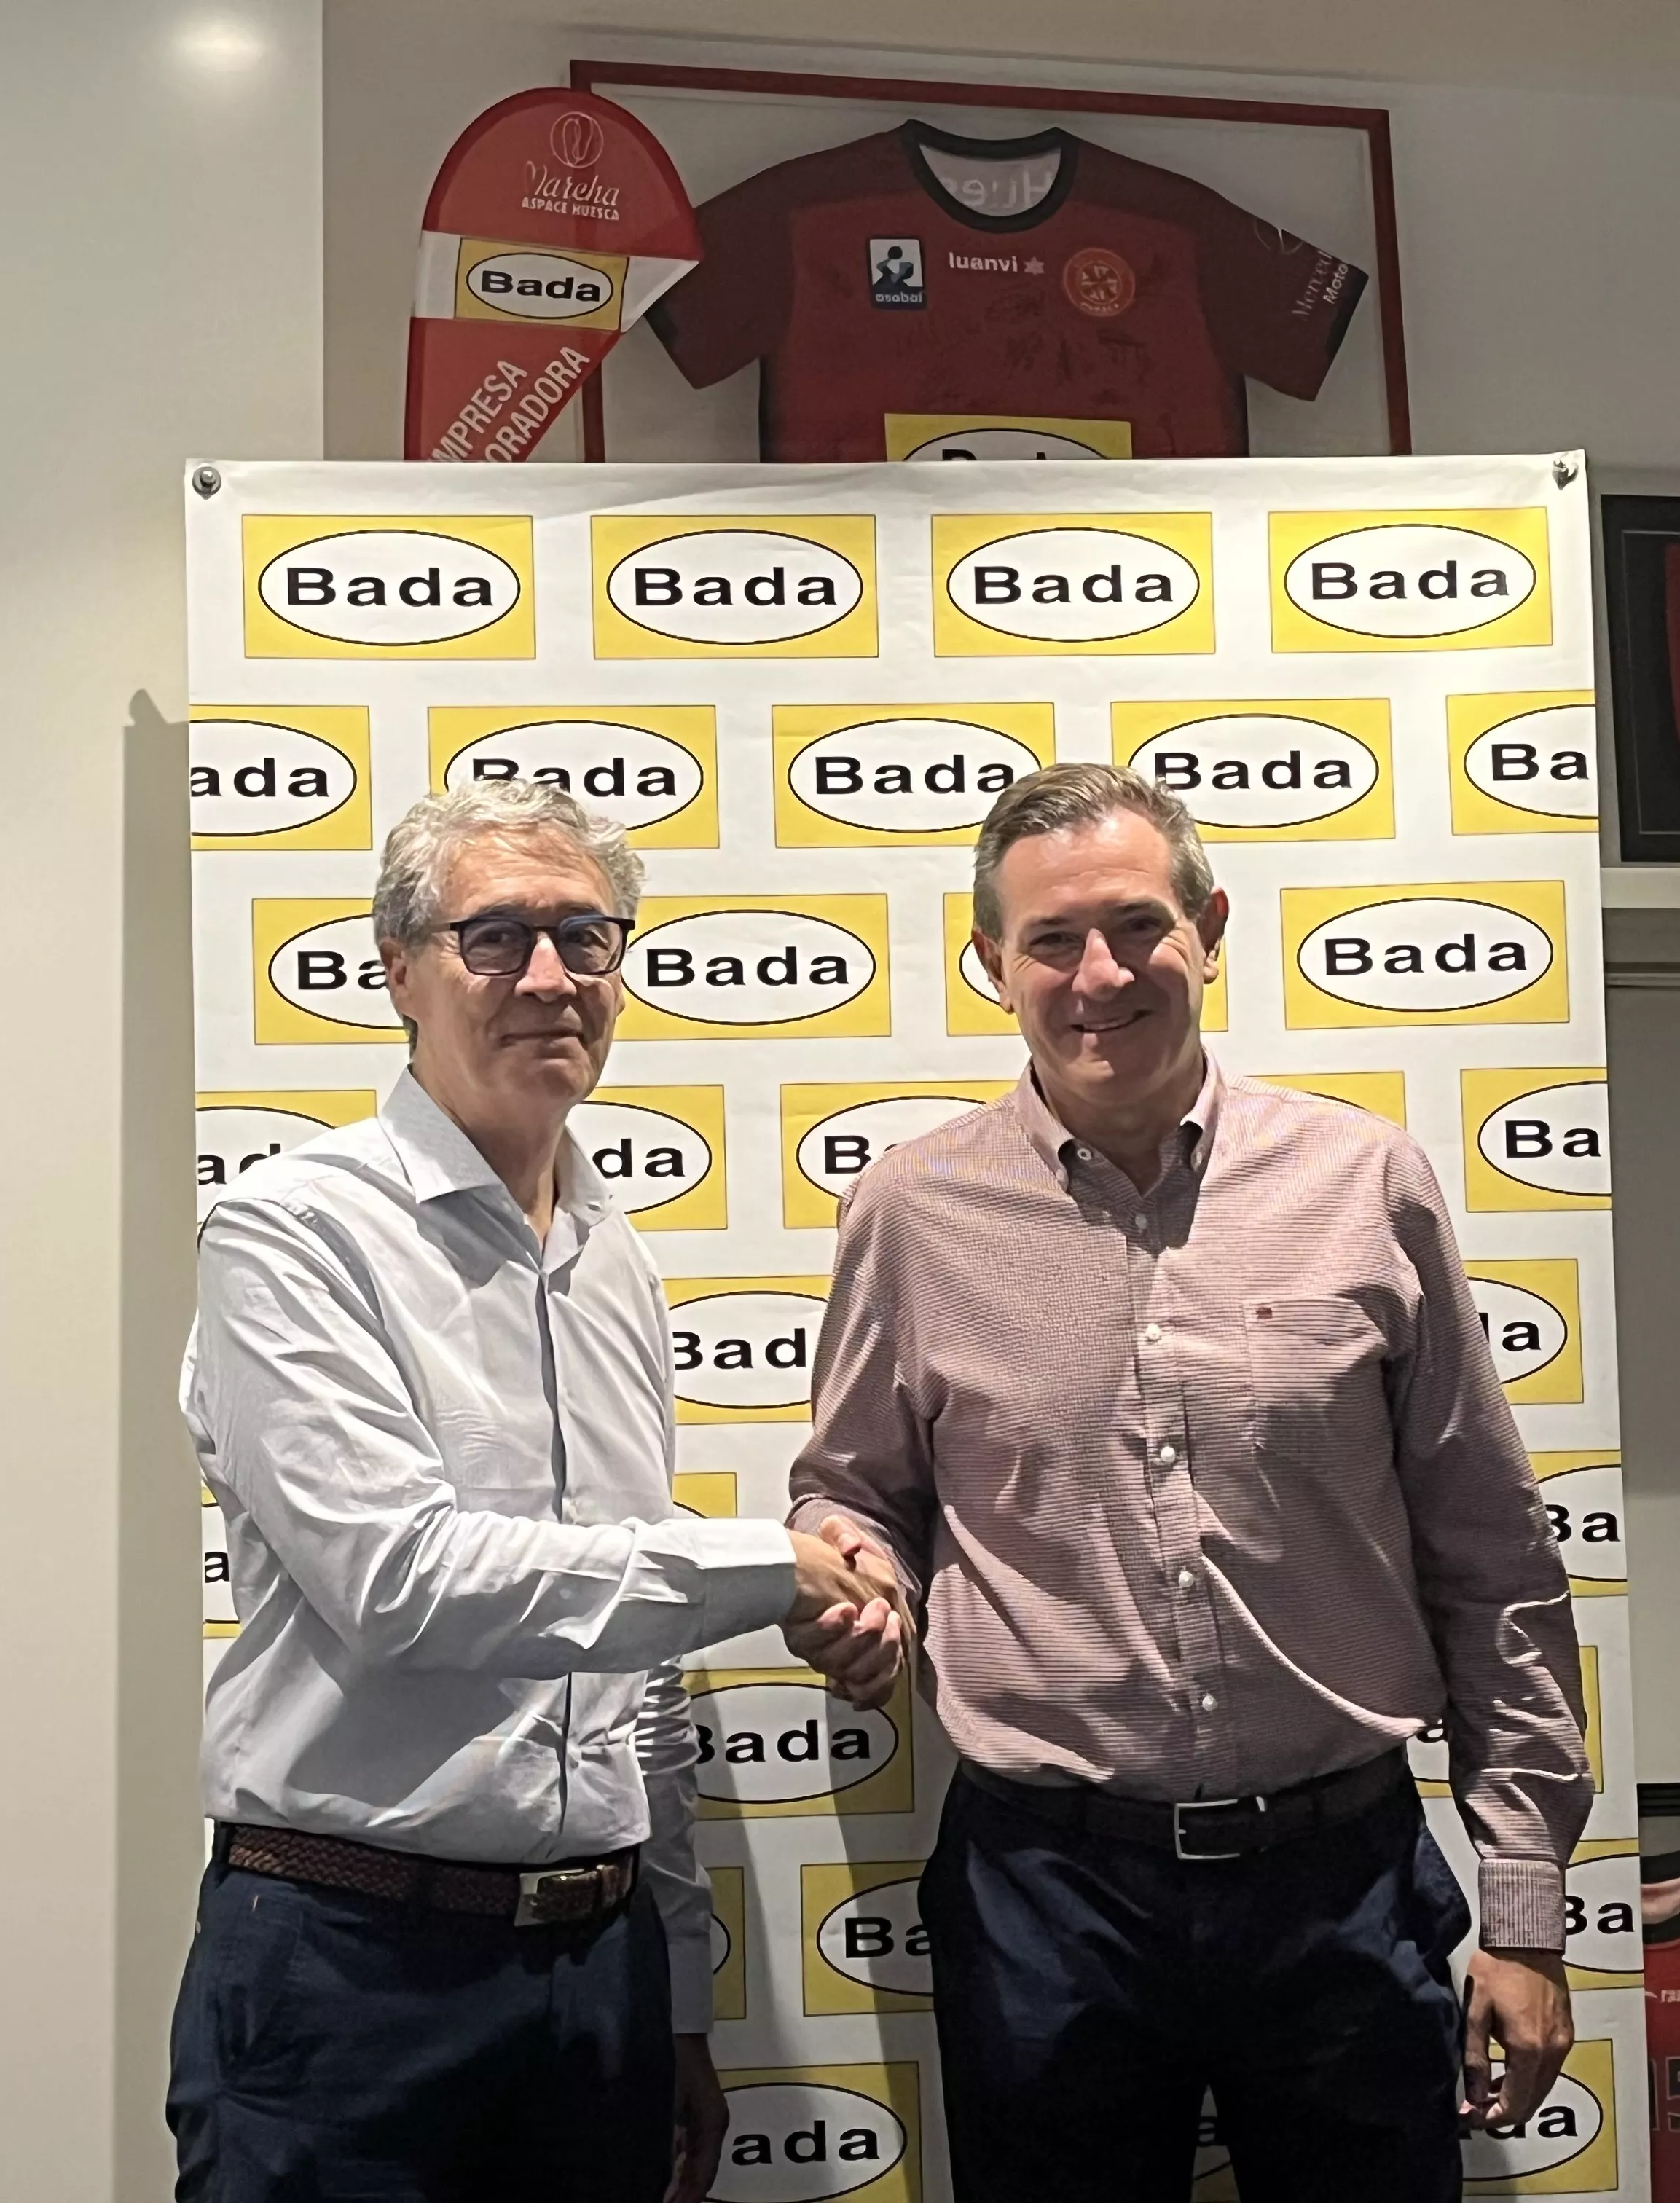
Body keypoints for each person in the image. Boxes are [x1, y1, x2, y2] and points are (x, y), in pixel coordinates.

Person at [789, 763, 1591, 2202]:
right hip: (1046, 1894)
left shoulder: (1368, 1185)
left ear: (1210, 928)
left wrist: (1526, 1914)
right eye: (1049, 941)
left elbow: (1494, 1558)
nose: (1099, 973)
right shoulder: (912, 1213)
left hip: (1344, 1884)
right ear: (991, 965)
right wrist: (854, 1581)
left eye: (1137, 925)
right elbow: (855, 1488)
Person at [173, 779, 906, 2203]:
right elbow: (401, 1584)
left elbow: (630, 1667)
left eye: (589, 935)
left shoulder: (614, 1262)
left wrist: (680, 1987)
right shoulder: (292, 1231)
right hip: (346, 1968)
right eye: (496, 937)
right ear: (399, 972)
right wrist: (777, 1570)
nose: (553, 979)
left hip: (600, 1973)